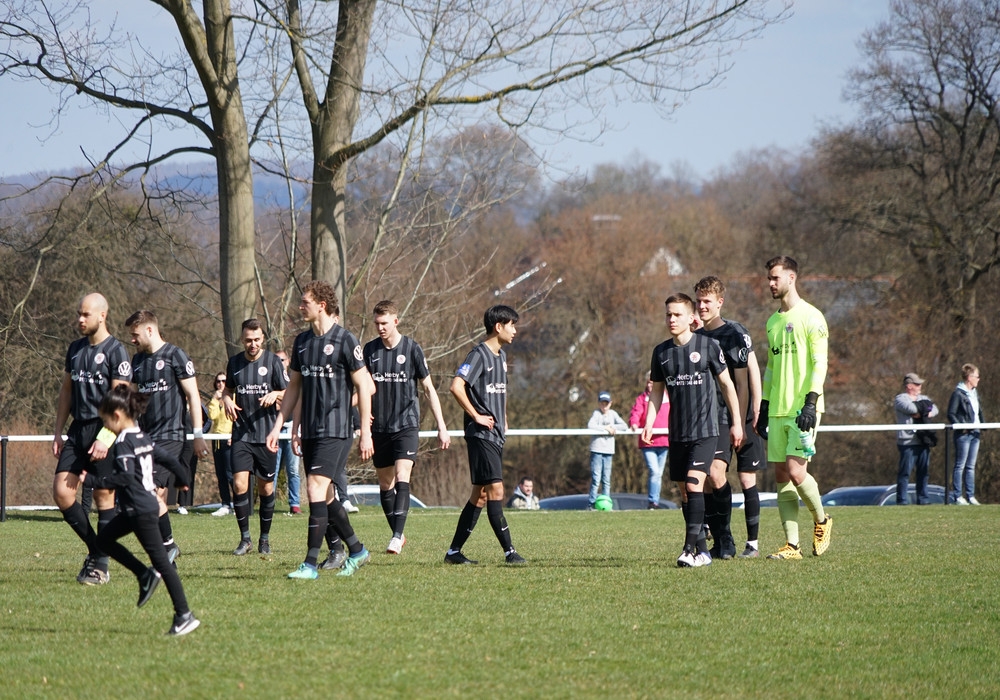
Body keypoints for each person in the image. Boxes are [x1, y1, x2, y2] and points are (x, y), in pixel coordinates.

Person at [266, 281, 375, 579]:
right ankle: (357, 550)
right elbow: (294, 389)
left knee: (314, 487)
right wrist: (285, 428)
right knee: (326, 496)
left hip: (337, 429)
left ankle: (310, 564)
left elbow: (364, 387)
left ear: (321, 306)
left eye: (305, 302)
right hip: (311, 430)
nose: (300, 306)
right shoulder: (302, 342)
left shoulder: (345, 340)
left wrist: (365, 432)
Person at [642, 293, 743, 568]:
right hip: (677, 433)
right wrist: (649, 422)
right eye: (668, 315)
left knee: (693, 483)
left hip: (706, 431)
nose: (671, 319)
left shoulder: (708, 346)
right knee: (685, 494)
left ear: (691, 318)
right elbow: (656, 392)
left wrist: (736, 422)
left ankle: (689, 550)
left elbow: (727, 385)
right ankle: (703, 550)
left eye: (677, 315)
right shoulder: (661, 352)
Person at [93, 384, 200, 636]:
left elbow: (126, 477)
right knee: (104, 540)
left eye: (106, 421)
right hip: (138, 509)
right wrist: (182, 479)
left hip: (140, 511)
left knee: (162, 563)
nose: (106, 426)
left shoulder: (122, 442)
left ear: (117, 416)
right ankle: (143, 575)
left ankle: (184, 615)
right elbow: (170, 459)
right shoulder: (142, 437)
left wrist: (94, 481)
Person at [52, 292, 133, 585]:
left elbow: (121, 400)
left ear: (102, 315)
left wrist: (106, 436)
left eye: (86, 314)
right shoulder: (75, 349)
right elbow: (66, 391)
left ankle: (100, 566)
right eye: (79, 313)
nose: (80, 319)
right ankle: (97, 549)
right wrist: (58, 430)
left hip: (104, 429)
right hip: (78, 429)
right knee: (62, 492)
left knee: (103, 497)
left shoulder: (116, 351)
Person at [756, 256, 833, 560]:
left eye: (775, 278)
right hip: (778, 409)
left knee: (796, 471)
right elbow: (771, 369)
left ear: (791, 277)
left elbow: (820, 363)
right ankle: (792, 546)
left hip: (803, 409)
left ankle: (822, 520)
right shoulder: (772, 322)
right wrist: (764, 406)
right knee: (781, 475)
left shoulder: (812, 317)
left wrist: (811, 403)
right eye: (769, 278)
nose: (771, 283)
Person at [363, 300, 451, 554]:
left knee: (403, 475)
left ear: (396, 321)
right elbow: (361, 388)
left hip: (406, 424)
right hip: (380, 427)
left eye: (384, 323)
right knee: (385, 484)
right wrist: (362, 420)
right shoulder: (369, 350)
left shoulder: (412, 349)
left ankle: (395, 536)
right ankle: (398, 533)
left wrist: (441, 426)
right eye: (377, 323)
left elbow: (428, 389)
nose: (380, 327)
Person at [126, 310, 211, 564]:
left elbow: (193, 396)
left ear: (149, 330)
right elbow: (133, 401)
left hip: (171, 437)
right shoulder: (137, 361)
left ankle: (168, 546)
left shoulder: (176, 355)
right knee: (152, 498)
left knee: (151, 491)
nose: (132, 339)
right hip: (145, 437)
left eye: (135, 334)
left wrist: (197, 435)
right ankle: (166, 554)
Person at [444, 304, 526, 566]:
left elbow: (500, 391)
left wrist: (505, 418)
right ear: (498, 327)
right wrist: (476, 416)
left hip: (495, 434)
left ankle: (453, 552)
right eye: (512, 325)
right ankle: (509, 552)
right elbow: (457, 386)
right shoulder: (478, 354)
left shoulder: (501, 356)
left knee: (479, 495)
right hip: (481, 434)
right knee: (496, 489)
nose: (515, 331)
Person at [694, 275, 766, 559]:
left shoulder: (734, 333)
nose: (702, 306)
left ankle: (752, 544)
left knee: (746, 478)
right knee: (711, 475)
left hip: (736, 417)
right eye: (698, 301)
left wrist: (743, 419)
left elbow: (743, 382)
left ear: (720, 302)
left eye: (707, 301)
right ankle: (723, 539)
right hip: (711, 418)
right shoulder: (697, 336)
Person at [222, 319, 288, 555]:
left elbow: (289, 391)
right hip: (242, 434)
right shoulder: (234, 363)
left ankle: (264, 539)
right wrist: (226, 400)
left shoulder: (272, 362)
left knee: (266, 488)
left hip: (266, 436)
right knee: (239, 484)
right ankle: (245, 539)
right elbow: (227, 389)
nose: (253, 344)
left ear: (263, 339)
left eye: (257, 340)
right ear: (242, 340)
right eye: (249, 340)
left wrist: (275, 394)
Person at [894, 372, 939, 505]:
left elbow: (934, 409)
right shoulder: (900, 399)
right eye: (917, 384)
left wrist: (922, 412)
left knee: (923, 472)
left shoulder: (924, 397)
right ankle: (902, 500)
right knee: (905, 473)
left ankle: (923, 499)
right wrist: (925, 409)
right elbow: (911, 408)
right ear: (909, 386)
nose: (920, 386)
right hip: (907, 442)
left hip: (923, 440)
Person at [628, 373, 670, 509]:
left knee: (659, 473)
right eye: (648, 382)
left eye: (652, 382)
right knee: (654, 471)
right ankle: (652, 501)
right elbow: (636, 412)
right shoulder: (642, 399)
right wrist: (634, 423)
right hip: (648, 442)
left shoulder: (668, 397)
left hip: (664, 441)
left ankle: (655, 501)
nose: (650, 385)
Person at [947, 363, 985, 505]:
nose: (978, 379)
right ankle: (958, 496)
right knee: (960, 465)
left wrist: (983, 425)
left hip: (975, 432)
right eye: (976, 376)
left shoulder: (975, 393)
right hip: (964, 434)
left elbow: (978, 412)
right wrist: (962, 427)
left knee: (971, 466)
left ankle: (971, 495)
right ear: (969, 377)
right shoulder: (958, 393)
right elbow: (951, 413)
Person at [272, 351, 302, 515]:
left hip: (291, 426)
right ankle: (269, 504)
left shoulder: (293, 379)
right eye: (276, 360)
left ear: (288, 361)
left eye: (282, 360)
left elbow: (294, 400)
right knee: (273, 469)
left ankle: (295, 504)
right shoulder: (270, 379)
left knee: (293, 469)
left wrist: (279, 398)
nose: (279, 362)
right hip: (274, 428)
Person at [587, 391, 628, 508]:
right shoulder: (596, 413)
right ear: (599, 403)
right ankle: (591, 503)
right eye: (602, 403)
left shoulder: (613, 414)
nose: (604, 406)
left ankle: (606, 503)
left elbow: (624, 426)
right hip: (597, 450)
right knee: (596, 479)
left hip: (609, 451)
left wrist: (612, 427)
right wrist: (605, 428)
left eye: (606, 403)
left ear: (610, 403)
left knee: (606, 479)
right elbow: (591, 425)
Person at [207, 372, 235, 516]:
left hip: (230, 439)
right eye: (218, 381)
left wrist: (234, 435)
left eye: (224, 381)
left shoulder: (234, 398)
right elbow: (212, 416)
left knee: (231, 474)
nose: (221, 384)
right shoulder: (216, 400)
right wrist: (215, 400)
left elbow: (237, 418)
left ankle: (239, 503)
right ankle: (225, 504)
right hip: (217, 439)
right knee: (221, 474)